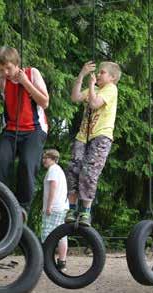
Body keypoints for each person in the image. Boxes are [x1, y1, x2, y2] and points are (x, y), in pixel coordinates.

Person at [0, 46, 49, 218]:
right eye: (1, 69)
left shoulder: (32, 73)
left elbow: (45, 102)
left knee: (27, 164)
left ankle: (22, 208)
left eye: (8, 68)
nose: (6, 72)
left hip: (34, 130)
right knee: (0, 161)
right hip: (11, 130)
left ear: (16, 63)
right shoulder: (2, 80)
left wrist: (25, 83)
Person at [65, 60, 121, 226]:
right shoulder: (94, 88)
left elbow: (95, 104)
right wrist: (82, 75)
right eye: (99, 72)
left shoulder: (111, 89)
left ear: (112, 77)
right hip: (83, 136)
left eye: (102, 72)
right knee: (73, 170)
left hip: (101, 136)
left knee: (89, 172)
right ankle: (72, 208)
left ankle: (85, 212)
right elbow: (75, 97)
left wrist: (91, 87)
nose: (98, 74)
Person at [41, 149, 68, 271]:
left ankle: (47, 263)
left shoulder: (53, 170)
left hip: (54, 208)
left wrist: (49, 206)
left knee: (47, 234)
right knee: (61, 235)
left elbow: (53, 186)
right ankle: (61, 263)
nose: (43, 160)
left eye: (45, 158)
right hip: (62, 207)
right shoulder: (59, 170)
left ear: (52, 159)